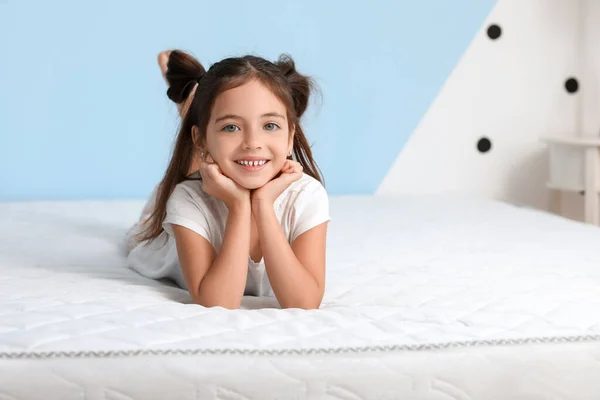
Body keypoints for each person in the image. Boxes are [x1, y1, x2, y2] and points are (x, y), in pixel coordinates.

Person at [124, 49, 330, 310]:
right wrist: (240, 205)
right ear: (199, 136)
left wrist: (263, 205)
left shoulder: (306, 195)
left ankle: (196, 113)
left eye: (270, 126)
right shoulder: (187, 199)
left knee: (223, 158)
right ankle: (194, 116)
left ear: (290, 136)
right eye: (231, 127)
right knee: (147, 221)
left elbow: (304, 302)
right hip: (171, 223)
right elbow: (218, 302)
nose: (253, 143)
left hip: (215, 156)